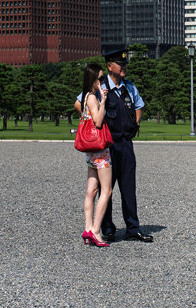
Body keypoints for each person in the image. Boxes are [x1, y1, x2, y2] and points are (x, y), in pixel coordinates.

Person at [75, 48, 153, 243]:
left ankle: (132, 228)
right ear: (110, 67)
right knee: (105, 189)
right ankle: (107, 228)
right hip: (106, 145)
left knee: (128, 187)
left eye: (125, 64)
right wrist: (93, 124)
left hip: (125, 143)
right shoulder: (99, 86)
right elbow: (79, 103)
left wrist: (135, 124)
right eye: (121, 64)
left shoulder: (129, 87)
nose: (124, 67)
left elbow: (139, 106)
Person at [78, 63, 112, 247]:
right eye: (100, 78)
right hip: (100, 151)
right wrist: (104, 100)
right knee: (106, 190)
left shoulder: (85, 97)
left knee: (91, 190)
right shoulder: (92, 98)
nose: (102, 81)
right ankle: (96, 231)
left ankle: (87, 227)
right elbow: (98, 122)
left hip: (90, 152)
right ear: (93, 79)